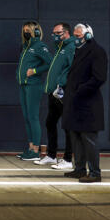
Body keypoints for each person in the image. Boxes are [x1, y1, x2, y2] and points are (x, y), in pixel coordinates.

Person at [62, 23, 108, 182]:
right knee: (76, 136)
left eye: (79, 36)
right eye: (74, 35)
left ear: (88, 35)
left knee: (89, 139)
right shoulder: (79, 51)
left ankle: (95, 173)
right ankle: (80, 169)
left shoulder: (97, 52)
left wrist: (80, 89)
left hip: (88, 103)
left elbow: (99, 78)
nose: (76, 39)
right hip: (75, 103)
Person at [37, 22, 75, 169]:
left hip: (62, 93)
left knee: (67, 126)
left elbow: (72, 70)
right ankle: (52, 155)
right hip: (53, 93)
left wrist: (62, 85)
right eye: (53, 33)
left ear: (66, 33)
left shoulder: (70, 48)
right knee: (50, 123)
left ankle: (67, 159)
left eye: (57, 33)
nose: (54, 36)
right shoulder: (60, 48)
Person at [16, 21, 53, 160]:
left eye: (28, 30)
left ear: (35, 32)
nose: (26, 32)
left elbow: (50, 62)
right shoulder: (25, 47)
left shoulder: (39, 46)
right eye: (24, 30)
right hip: (23, 85)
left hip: (34, 85)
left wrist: (35, 71)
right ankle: (31, 148)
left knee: (33, 117)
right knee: (27, 118)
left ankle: (36, 150)